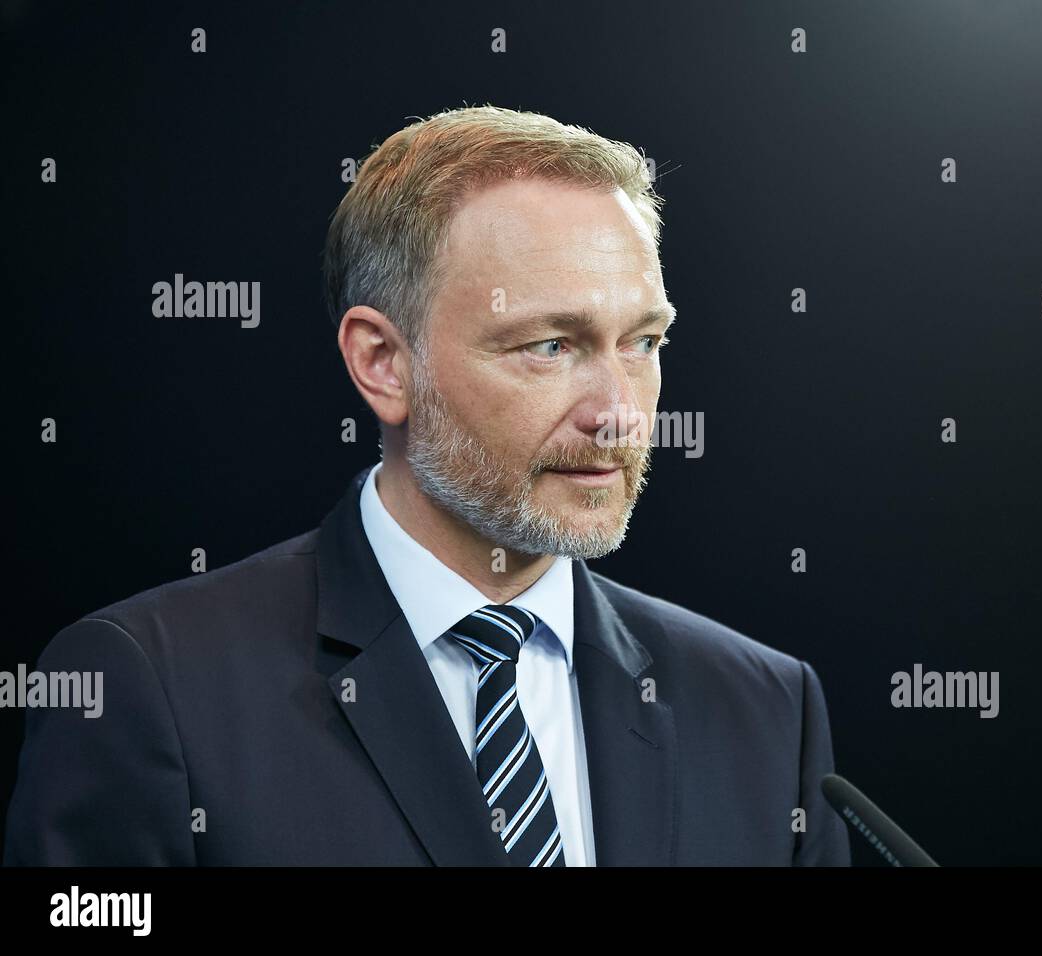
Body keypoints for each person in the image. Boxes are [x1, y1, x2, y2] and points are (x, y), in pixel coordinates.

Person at [3, 105, 850, 866]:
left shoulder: (767, 711)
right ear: (382, 362)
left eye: (643, 343)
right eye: (550, 346)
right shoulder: (151, 688)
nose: (620, 414)